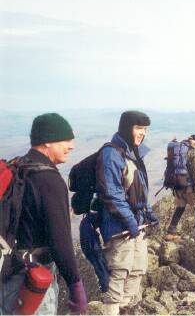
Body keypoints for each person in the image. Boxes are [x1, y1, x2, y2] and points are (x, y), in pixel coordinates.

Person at [0, 113, 87, 315]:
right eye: (65, 140)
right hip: (33, 281)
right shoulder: (49, 179)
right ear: (47, 141)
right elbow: (60, 239)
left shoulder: (18, 166)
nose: (71, 145)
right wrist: (75, 285)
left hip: (9, 275)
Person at [95, 111, 159, 315]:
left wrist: (148, 212)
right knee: (119, 273)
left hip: (135, 224)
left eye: (145, 129)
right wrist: (131, 222)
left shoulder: (132, 153)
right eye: (138, 128)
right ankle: (112, 310)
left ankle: (125, 309)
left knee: (138, 269)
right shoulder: (111, 154)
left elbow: (138, 190)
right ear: (126, 128)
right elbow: (112, 194)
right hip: (118, 227)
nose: (142, 133)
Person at [165, 135, 195, 241]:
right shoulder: (193, 152)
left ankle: (170, 232)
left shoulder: (176, 149)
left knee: (180, 207)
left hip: (176, 185)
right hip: (189, 186)